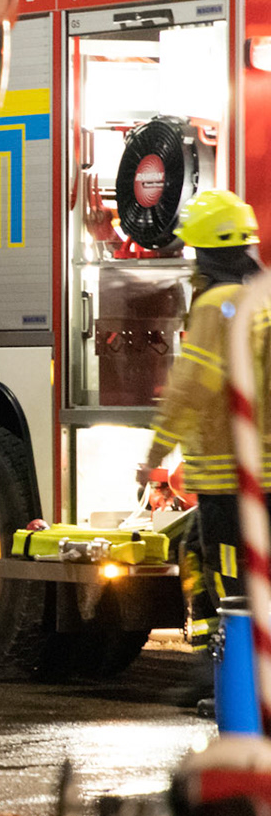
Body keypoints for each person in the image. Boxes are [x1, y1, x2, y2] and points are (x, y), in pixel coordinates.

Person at [140, 189, 270, 651]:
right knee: (200, 550)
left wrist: (155, 453)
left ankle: (230, 680)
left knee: (231, 579)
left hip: (226, 474)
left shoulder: (217, 304)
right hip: (259, 475)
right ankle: (211, 668)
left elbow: (192, 387)